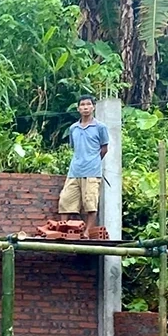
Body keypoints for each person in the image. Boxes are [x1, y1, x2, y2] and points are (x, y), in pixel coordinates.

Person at [57, 95, 109, 238]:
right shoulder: (73, 128)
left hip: (92, 172)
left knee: (90, 203)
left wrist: (93, 162)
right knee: (65, 200)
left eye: (88, 104)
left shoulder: (100, 127)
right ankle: (64, 230)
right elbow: (74, 148)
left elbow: (104, 149)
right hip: (74, 171)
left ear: (93, 107)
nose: (85, 107)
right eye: (82, 105)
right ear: (78, 108)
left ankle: (86, 233)